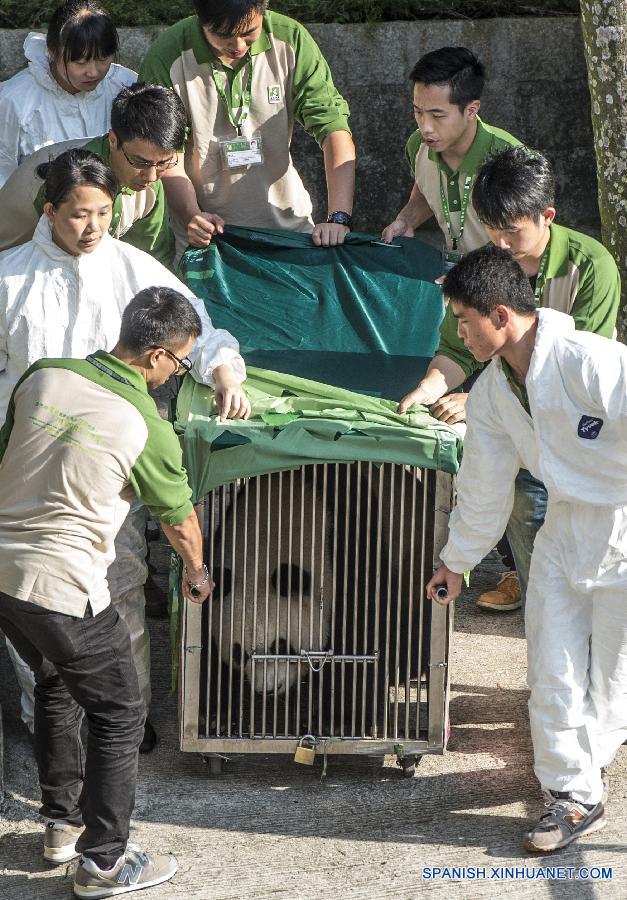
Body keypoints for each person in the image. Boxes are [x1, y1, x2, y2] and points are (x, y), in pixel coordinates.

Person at [0, 148, 249, 749]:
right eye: (79, 215)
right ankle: (53, 730)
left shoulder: (136, 269)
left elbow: (197, 328)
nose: (92, 228)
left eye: (104, 213)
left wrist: (222, 369)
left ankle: (124, 716)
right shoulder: (9, 279)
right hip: (28, 472)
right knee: (36, 606)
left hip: (108, 473)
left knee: (120, 587)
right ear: (50, 210)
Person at [0, 286, 214, 895]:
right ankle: (103, 863)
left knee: (54, 683)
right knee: (120, 714)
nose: (178, 374)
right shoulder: (145, 423)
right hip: (63, 585)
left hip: (3, 573)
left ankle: (61, 827)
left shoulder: (44, 377)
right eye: (180, 363)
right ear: (154, 356)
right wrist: (197, 576)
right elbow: (179, 519)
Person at [426, 245, 627, 852]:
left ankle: (588, 765)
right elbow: (484, 489)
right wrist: (455, 562)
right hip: (563, 534)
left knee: (614, 678)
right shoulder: (490, 394)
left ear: (502, 315)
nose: (459, 333)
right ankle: (572, 794)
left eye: (464, 321)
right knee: (551, 666)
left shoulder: (592, 360)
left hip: (624, 523)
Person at [403, 147, 621, 612]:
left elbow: (581, 366)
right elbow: (457, 349)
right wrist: (431, 389)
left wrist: (477, 398)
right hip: (523, 432)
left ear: (547, 216)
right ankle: (531, 590)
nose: (499, 244)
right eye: (491, 231)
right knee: (529, 527)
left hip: (588, 451)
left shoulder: (592, 265)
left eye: (511, 232)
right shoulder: (486, 267)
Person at [138, 0, 356, 255]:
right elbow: (164, 155)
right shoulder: (169, 54)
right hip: (207, 238)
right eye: (223, 35)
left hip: (289, 230)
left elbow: (333, 129)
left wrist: (339, 217)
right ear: (200, 19)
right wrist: (192, 216)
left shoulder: (290, 39)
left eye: (249, 32)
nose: (238, 45)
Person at [0, 82, 186, 268]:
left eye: (163, 163)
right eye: (140, 162)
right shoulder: (68, 178)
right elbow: (62, 264)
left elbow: (155, 261)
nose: (152, 176)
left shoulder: (148, 184)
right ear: (113, 140)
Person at [381, 47, 520, 258]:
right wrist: (406, 221)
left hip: (504, 277)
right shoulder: (417, 144)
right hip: (454, 273)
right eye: (418, 112)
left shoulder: (512, 158)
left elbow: (530, 241)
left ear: (471, 110)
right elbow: (426, 191)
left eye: (437, 115)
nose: (425, 127)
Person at [0, 0, 136, 189]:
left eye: (103, 59)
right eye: (80, 62)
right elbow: (3, 175)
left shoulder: (126, 85)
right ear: (52, 51)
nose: (93, 72)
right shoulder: (13, 100)